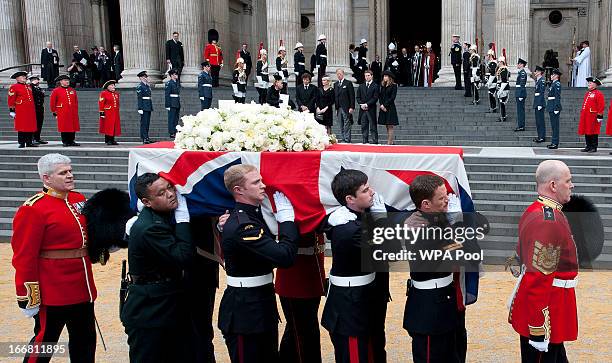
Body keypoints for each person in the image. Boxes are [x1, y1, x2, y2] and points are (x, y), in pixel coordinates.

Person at [12, 153, 97, 362]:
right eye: (63, 173)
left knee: (85, 342)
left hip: (82, 286)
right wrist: (28, 295)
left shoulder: (78, 199)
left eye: (70, 171)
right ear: (46, 178)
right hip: (53, 290)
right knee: (45, 343)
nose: (70, 176)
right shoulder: (33, 209)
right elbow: (24, 256)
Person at [218, 164, 299, 362]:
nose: (264, 185)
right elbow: (284, 257)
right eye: (256, 182)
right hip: (245, 312)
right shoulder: (244, 224)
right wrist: (287, 221)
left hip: (260, 303)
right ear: (238, 190)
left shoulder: (249, 217)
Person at [402, 174, 479, 363]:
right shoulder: (423, 228)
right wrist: (458, 223)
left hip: (444, 301)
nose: (448, 201)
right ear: (426, 204)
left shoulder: (435, 220)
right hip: (430, 309)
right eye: (442, 198)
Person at [508, 160, 578, 363]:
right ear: (553, 185)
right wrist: (538, 327)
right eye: (568, 180)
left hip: (553, 303)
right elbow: (538, 277)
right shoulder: (548, 220)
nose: (571, 185)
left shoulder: (540, 210)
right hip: (548, 308)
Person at [121, 173, 195, 362]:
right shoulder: (150, 227)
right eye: (161, 193)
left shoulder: (158, 218)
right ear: (147, 201)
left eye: (170, 187)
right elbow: (183, 257)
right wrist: (183, 220)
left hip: (163, 303)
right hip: (150, 311)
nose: (171, 194)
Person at [322, 169, 388, 362]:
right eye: (366, 190)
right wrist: (381, 221)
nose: (373, 192)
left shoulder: (354, 216)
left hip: (366, 297)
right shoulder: (347, 228)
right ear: (350, 199)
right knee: (355, 355)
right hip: (350, 304)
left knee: (373, 350)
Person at [7, 71, 38, 148]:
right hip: (21, 110)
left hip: (30, 110)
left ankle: (29, 142)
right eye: (22, 76)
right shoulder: (14, 87)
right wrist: (12, 110)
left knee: (30, 126)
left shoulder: (28, 86)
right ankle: (21, 142)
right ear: (17, 78)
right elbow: (11, 99)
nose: (25, 77)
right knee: (22, 126)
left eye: (25, 76)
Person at [50, 75, 80, 147]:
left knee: (73, 127)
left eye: (68, 80)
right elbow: (52, 102)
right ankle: (65, 141)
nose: (67, 82)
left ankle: (71, 140)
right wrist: (54, 112)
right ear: (61, 82)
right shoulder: (56, 91)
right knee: (64, 126)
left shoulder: (72, 90)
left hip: (72, 112)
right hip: (62, 111)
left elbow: (75, 101)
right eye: (65, 80)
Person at [578, 77, 605, 152]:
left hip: (593, 116)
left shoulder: (598, 94)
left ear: (595, 84)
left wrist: (600, 115)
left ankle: (594, 147)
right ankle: (588, 146)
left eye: (590, 83)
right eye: (588, 83)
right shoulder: (588, 93)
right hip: (586, 116)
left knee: (593, 131)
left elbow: (601, 105)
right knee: (587, 130)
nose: (588, 84)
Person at [356, 70, 379, 144]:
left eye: (368, 75)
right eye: (366, 75)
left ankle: (375, 141)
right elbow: (358, 97)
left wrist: (367, 104)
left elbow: (375, 98)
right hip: (362, 109)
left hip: (371, 109)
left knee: (373, 126)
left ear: (372, 76)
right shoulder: (361, 86)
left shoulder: (375, 86)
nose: (367, 77)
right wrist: (361, 104)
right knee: (364, 125)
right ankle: (365, 140)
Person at [334, 68, 355, 143]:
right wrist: (336, 108)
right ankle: (343, 138)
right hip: (338, 107)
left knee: (347, 123)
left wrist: (352, 107)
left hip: (346, 107)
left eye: (340, 74)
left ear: (343, 74)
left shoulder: (348, 83)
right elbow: (336, 96)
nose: (339, 75)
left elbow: (352, 96)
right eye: (337, 74)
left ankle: (347, 139)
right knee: (341, 123)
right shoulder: (335, 84)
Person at [378, 70, 398, 145]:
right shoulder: (383, 86)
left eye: (386, 76)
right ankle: (391, 141)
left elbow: (392, 97)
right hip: (383, 107)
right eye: (384, 76)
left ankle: (389, 142)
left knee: (390, 125)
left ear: (389, 77)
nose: (384, 77)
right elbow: (380, 96)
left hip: (390, 107)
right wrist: (381, 105)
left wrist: (385, 105)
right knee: (386, 125)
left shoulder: (394, 86)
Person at [98, 80, 121, 145]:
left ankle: (112, 139)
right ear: (108, 87)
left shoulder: (116, 94)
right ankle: (108, 140)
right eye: (112, 85)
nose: (113, 86)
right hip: (108, 112)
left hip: (115, 112)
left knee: (114, 126)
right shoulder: (104, 93)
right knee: (108, 126)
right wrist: (102, 112)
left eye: (114, 85)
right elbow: (101, 103)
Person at [546, 69, 562, 149]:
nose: (551, 76)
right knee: (553, 126)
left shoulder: (557, 84)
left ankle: (555, 143)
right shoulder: (553, 84)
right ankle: (553, 142)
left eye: (552, 75)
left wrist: (556, 107)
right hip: (551, 106)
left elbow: (557, 97)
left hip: (554, 106)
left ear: (556, 76)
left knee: (555, 126)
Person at [29, 75, 48, 144]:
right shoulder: (30, 87)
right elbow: (35, 93)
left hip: (40, 108)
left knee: (39, 124)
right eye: (35, 80)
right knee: (34, 124)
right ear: (32, 81)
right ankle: (32, 138)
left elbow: (42, 95)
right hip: (33, 108)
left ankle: (37, 138)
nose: (37, 81)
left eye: (37, 80)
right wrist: (32, 84)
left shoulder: (38, 88)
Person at [136, 71, 153, 144]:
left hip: (148, 105)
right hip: (143, 106)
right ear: (140, 78)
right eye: (143, 77)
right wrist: (140, 108)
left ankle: (147, 137)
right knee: (144, 122)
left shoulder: (147, 86)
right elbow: (139, 98)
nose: (145, 78)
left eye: (146, 77)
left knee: (147, 122)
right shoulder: (140, 86)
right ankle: (144, 137)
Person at [165, 69, 181, 138]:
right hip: (171, 103)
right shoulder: (169, 83)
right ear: (171, 75)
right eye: (175, 74)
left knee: (176, 118)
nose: (176, 75)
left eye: (176, 74)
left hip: (176, 102)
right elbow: (167, 95)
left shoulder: (177, 83)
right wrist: (167, 105)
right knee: (171, 118)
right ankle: (171, 132)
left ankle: (175, 131)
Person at [532, 66, 547, 143]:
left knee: (540, 121)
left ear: (539, 72)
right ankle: (539, 136)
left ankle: (542, 137)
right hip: (537, 102)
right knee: (538, 121)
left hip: (539, 103)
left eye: (536, 71)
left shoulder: (542, 81)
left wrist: (540, 104)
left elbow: (541, 93)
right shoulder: (538, 81)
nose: (535, 73)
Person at [514, 58, 528, 131]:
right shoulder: (520, 72)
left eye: (518, 64)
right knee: (519, 111)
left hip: (520, 93)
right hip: (518, 92)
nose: (517, 65)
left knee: (520, 111)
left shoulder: (522, 73)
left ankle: (521, 126)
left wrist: (521, 95)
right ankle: (520, 125)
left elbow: (522, 85)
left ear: (522, 65)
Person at [496, 57, 510, 122]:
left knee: (502, 102)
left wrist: (500, 90)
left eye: (499, 62)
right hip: (500, 87)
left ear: (501, 62)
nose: (498, 63)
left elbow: (504, 81)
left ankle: (503, 116)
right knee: (500, 102)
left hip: (503, 88)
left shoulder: (504, 69)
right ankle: (502, 115)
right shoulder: (501, 69)